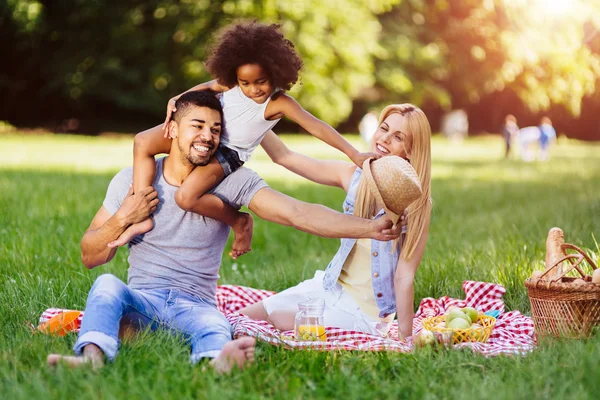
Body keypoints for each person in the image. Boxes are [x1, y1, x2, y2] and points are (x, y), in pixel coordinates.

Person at [46, 91, 400, 372]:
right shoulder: (132, 181)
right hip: (145, 301)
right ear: (171, 129)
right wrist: (125, 215)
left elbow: (297, 213)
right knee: (107, 285)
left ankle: (216, 363)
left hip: (197, 307)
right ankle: (91, 359)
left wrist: (369, 227)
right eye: (197, 126)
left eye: (215, 129)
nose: (207, 137)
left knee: (218, 323)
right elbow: (90, 255)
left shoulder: (233, 181)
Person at [110, 21, 377, 259]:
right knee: (143, 141)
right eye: (245, 83)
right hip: (206, 132)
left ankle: (238, 221)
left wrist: (354, 154)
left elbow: (317, 127)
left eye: (260, 81)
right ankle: (142, 213)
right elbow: (206, 88)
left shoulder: (279, 102)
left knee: (186, 197)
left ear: (276, 72)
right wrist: (180, 99)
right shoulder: (232, 84)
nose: (252, 90)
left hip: (227, 153)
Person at [240, 104, 432, 340]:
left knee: (279, 319)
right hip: (328, 288)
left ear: (411, 151)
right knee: (243, 318)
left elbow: (405, 276)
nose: (384, 139)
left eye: (398, 137)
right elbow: (284, 156)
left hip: (364, 313)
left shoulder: (415, 205)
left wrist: (405, 338)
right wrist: (251, 116)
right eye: (383, 129)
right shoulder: (354, 176)